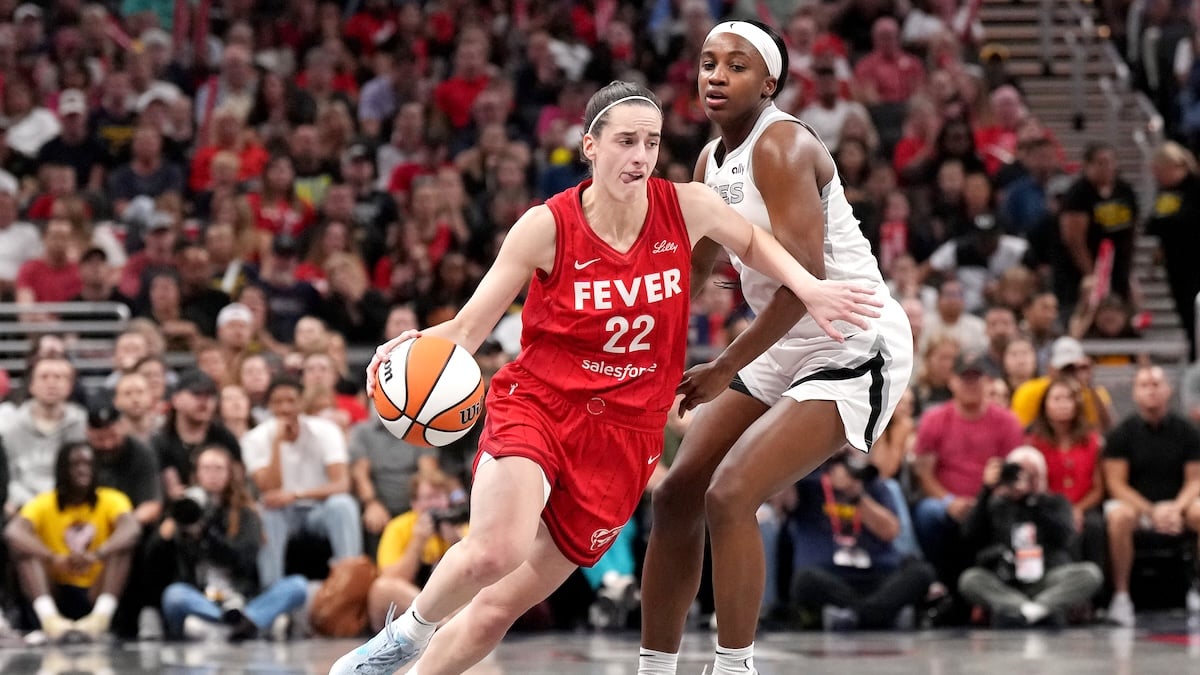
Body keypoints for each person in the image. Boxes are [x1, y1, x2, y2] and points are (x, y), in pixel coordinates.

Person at [329, 79, 882, 675]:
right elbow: (466, 328)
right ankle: (400, 641)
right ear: (590, 146)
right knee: (498, 549)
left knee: (494, 611)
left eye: (651, 142)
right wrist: (404, 352)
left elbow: (750, 238)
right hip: (540, 406)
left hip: (625, 436)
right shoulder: (546, 226)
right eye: (625, 141)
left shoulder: (686, 206)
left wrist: (810, 287)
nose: (641, 156)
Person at [638, 22, 913, 675]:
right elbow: (694, 270)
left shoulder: (783, 144)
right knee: (675, 492)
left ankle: (735, 666)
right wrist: (642, 343)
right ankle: (655, 665)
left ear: (769, 82)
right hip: (782, 336)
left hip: (850, 334)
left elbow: (806, 287)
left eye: (735, 66)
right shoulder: (710, 161)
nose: (715, 75)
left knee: (731, 494)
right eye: (708, 63)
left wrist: (725, 364)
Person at [152, 446, 308, 642]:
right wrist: (174, 526)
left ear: (230, 474)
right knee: (174, 595)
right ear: (197, 473)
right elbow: (155, 561)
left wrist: (207, 533)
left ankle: (243, 621)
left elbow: (244, 560)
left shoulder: (246, 514)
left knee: (297, 586)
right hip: (202, 599)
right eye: (206, 468)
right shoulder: (183, 510)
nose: (212, 475)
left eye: (218, 469)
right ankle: (241, 624)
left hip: (241, 598)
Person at [4, 443, 139, 641]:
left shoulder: (112, 499)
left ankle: (101, 618)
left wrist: (97, 554)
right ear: (62, 469)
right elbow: (13, 532)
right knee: (24, 552)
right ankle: (50, 620)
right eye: (75, 464)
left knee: (122, 547)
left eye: (88, 464)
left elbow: (132, 529)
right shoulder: (44, 502)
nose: (83, 470)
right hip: (55, 585)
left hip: (95, 585)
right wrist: (53, 557)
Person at [957, 447, 1103, 627]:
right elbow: (969, 535)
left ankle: (1023, 612)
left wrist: (1033, 501)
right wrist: (987, 490)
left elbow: (1065, 537)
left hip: (1047, 577)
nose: (1024, 480)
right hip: (1006, 580)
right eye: (1019, 473)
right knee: (970, 579)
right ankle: (1036, 610)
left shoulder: (1055, 503)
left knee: (1090, 573)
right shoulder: (995, 505)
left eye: (1032, 474)